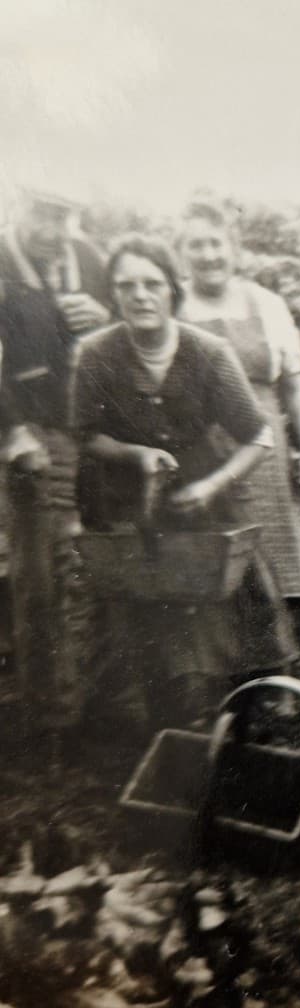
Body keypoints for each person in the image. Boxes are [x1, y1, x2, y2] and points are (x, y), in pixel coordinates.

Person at [72, 233, 294, 731]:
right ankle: (170, 726)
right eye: (126, 285)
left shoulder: (207, 352)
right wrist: (136, 454)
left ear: (172, 289)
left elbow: (259, 438)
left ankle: (246, 720)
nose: (140, 295)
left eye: (152, 283)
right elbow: (86, 435)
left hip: (206, 495)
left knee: (232, 603)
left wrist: (211, 487)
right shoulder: (96, 353)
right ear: (113, 293)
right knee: (149, 613)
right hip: (134, 501)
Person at [176, 197, 300, 639]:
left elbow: (296, 385)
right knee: (217, 563)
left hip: (266, 452)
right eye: (195, 245)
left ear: (233, 247)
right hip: (203, 455)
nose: (208, 255)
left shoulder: (266, 304)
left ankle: (279, 682)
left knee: (275, 561)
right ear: (181, 254)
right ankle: (228, 685)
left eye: (216, 243)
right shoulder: (173, 309)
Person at [0, 188, 111, 757]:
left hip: (96, 432)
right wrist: (10, 430)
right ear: (19, 206)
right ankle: (50, 721)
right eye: (42, 214)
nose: (52, 229)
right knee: (40, 571)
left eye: (63, 216)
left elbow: (138, 320)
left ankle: (90, 700)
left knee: (92, 563)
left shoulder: (91, 258)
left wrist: (105, 314)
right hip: (32, 430)